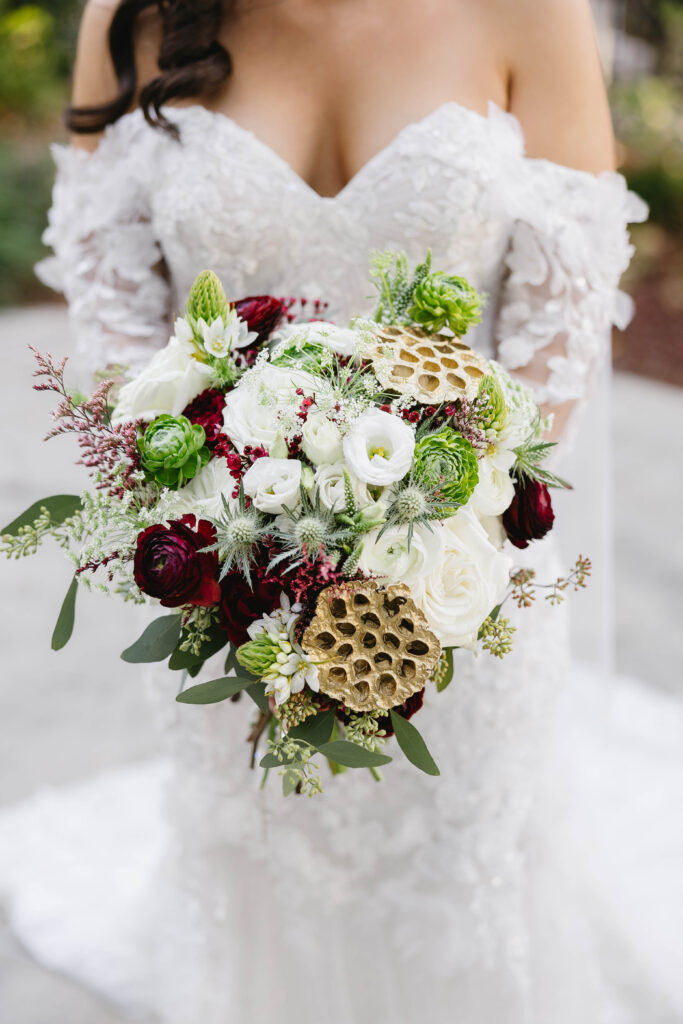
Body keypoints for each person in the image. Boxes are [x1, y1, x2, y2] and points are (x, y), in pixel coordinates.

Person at [3, 2, 681, 1022]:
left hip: (462, 584)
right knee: (262, 853)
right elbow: (117, 328)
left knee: (456, 882)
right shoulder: (135, 14)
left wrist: (422, 535)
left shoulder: (528, 12)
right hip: (232, 591)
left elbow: (557, 337)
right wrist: (231, 531)